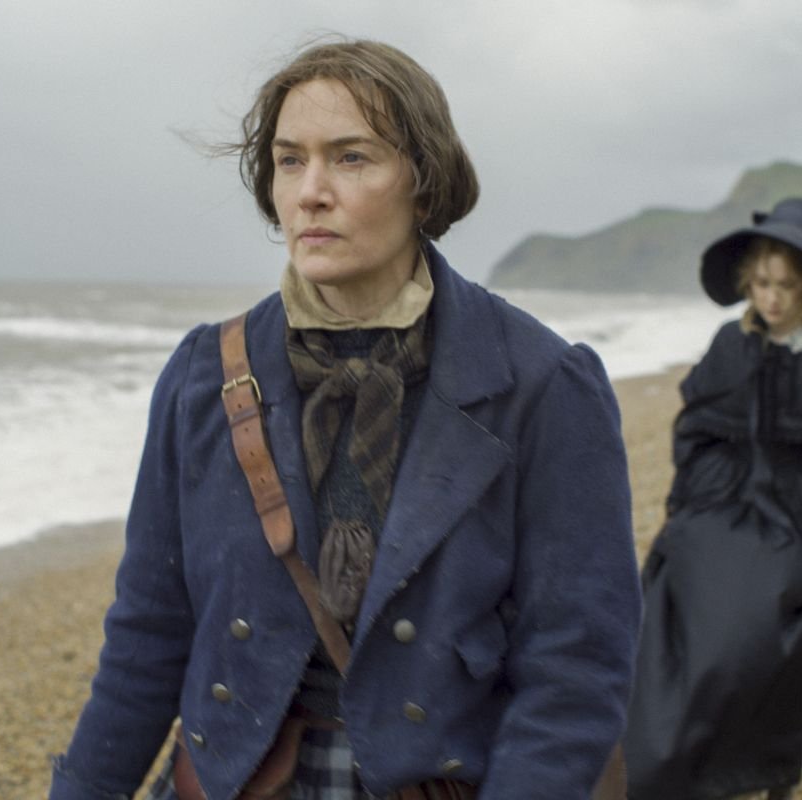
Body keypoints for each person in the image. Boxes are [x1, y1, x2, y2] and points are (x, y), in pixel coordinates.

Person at [48, 38, 640, 800]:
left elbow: (576, 666)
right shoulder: (204, 374)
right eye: (290, 160)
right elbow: (148, 633)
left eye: (351, 158)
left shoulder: (543, 385)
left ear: (423, 184)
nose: (310, 191)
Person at [622, 198, 802, 799]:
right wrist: (681, 508)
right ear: (748, 281)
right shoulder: (730, 340)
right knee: (670, 615)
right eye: (763, 283)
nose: (772, 299)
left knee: (756, 631)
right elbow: (692, 428)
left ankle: (754, 768)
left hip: (795, 509)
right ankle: (665, 768)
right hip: (718, 498)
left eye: (787, 286)